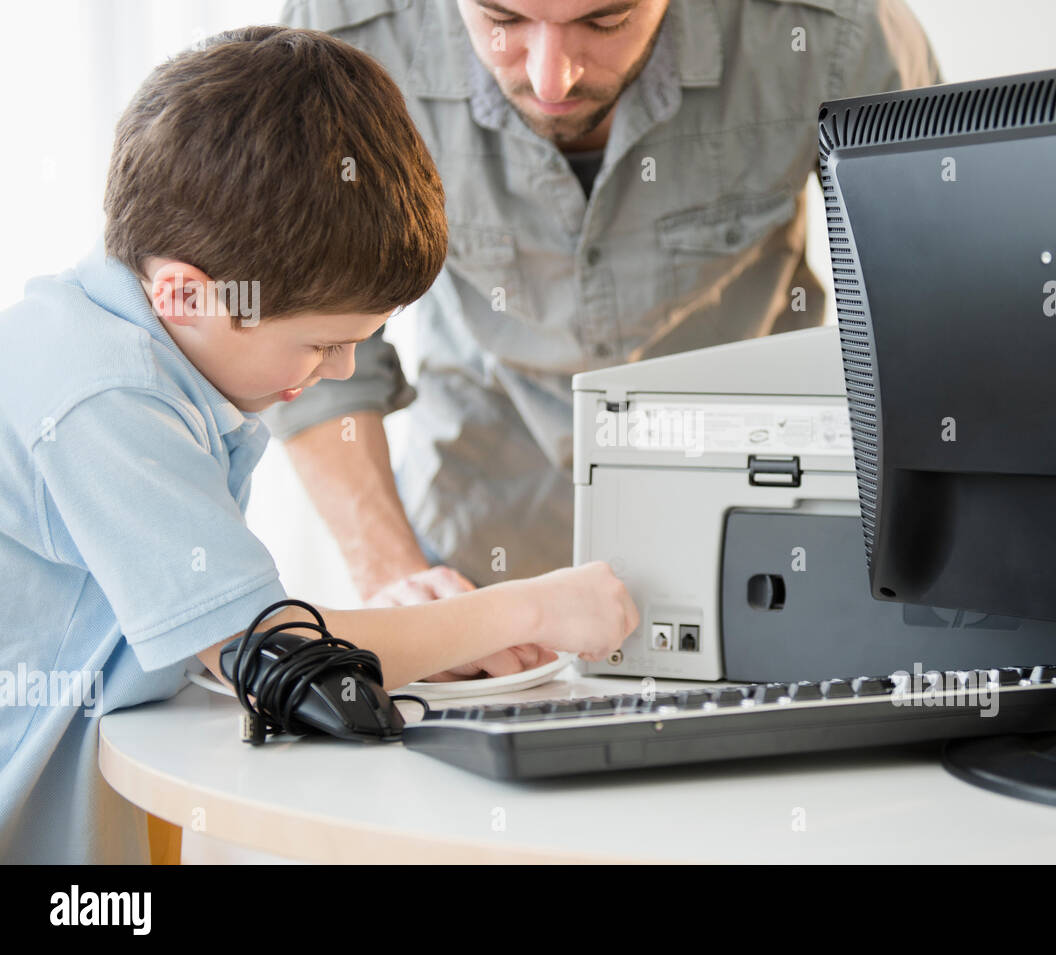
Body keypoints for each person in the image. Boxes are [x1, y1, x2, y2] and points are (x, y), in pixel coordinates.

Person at [0, 26, 636, 864]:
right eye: (323, 343)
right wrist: (529, 607)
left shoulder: (131, 348)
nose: (340, 371)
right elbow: (264, 654)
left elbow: (218, 632)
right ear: (187, 294)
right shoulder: (103, 396)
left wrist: (427, 637)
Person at [271, 0, 941, 619]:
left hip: (769, 546)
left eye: (606, 20)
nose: (552, 79)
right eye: (504, 19)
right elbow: (302, 339)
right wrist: (396, 577)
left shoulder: (838, 27)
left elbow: (930, 314)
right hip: (478, 553)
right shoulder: (337, 34)